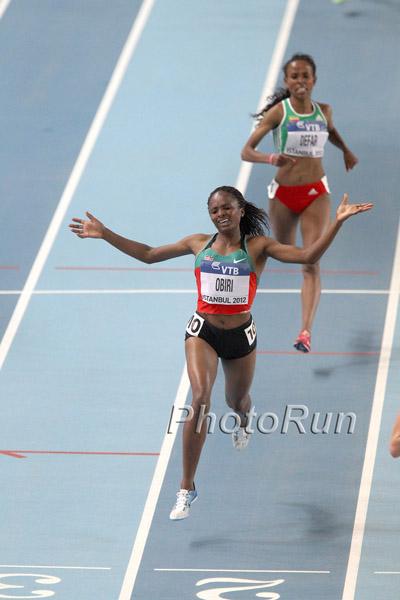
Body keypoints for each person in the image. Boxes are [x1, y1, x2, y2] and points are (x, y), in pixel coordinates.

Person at [69, 186, 372, 520]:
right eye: (214, 210)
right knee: (200, 397)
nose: (220, 215)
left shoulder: (258, 247)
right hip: (203, 333)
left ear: (240, 210)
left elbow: (308, 256)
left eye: (226, 208)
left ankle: (244, 419)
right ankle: (186, 488)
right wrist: (105, 233)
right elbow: (149, 254)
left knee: (236, 401)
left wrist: (337, 221)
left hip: (240, 337)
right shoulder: (198, 244)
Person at [241, 53, 358, 353]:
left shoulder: (324, 111)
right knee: (281, 250)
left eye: (305, 75)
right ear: (286, 81)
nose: (300, 81)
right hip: (283, 194)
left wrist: (345, 150)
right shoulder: (279, 113)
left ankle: (305, 331)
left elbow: (330, 131)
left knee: (310, 260)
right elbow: (246, 151)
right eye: (295, 76)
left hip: (315, 193)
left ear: (314, 80)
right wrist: (271, 158)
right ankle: (240, 301)